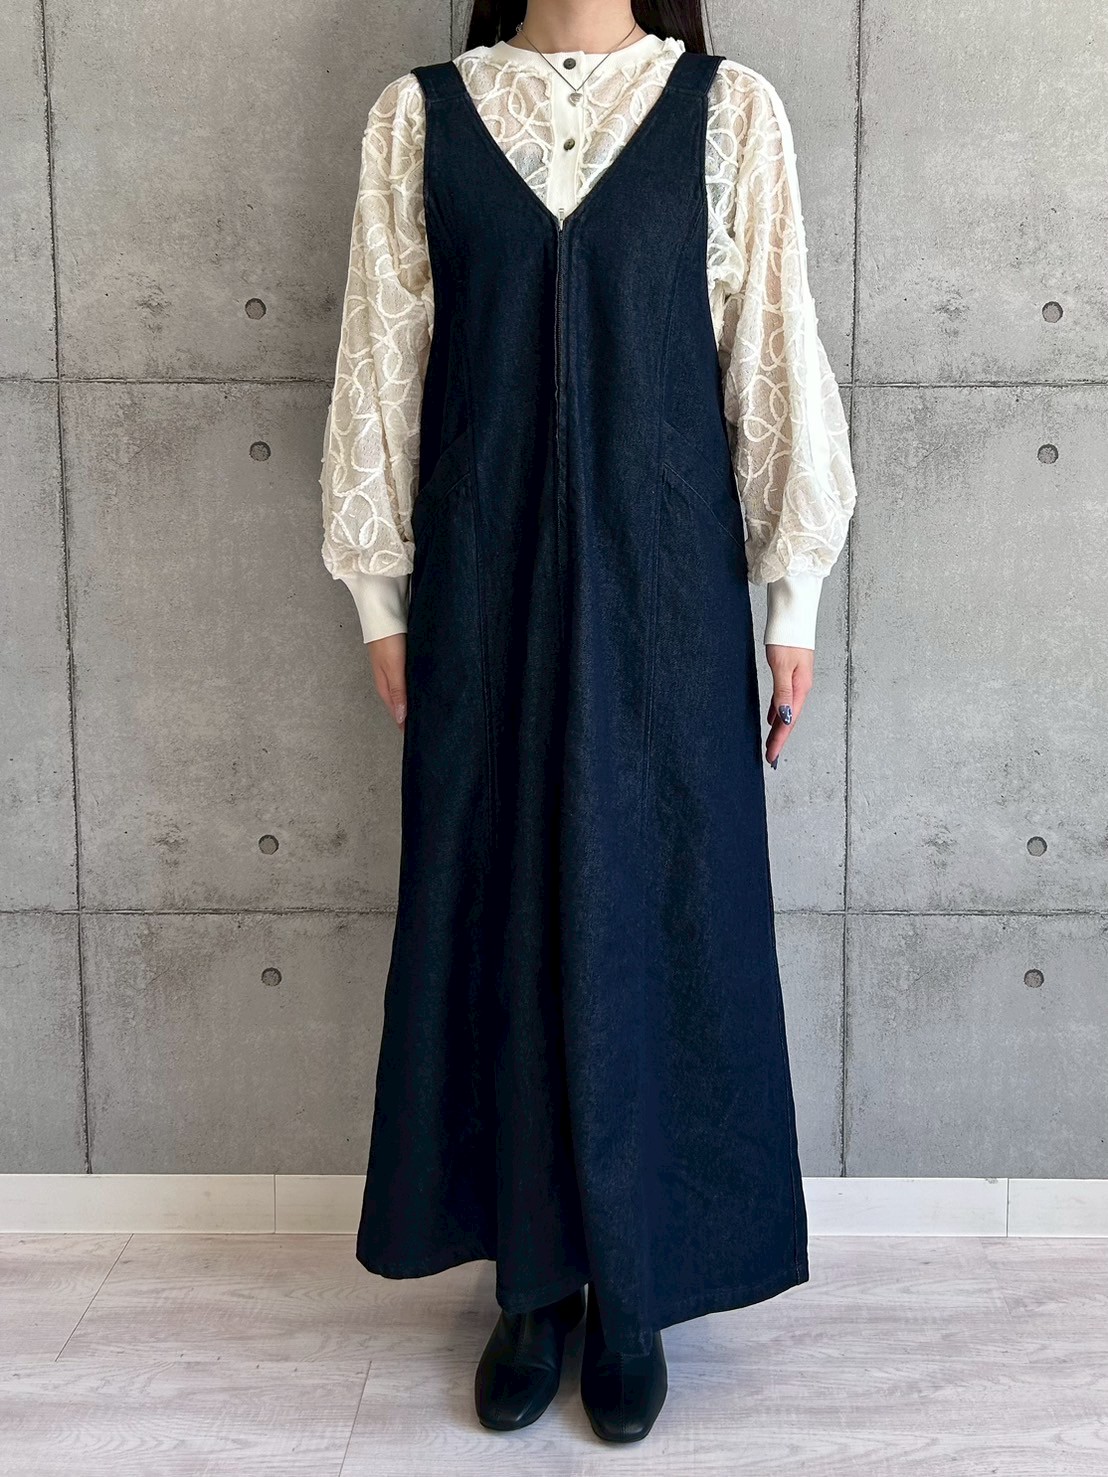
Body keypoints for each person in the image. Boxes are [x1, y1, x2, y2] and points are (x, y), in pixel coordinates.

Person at [319, 0, 857, 1445]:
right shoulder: (420, 121)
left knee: (656, 913)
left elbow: (770, 351)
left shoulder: (726, 114)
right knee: (501, 918)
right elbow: (382, 360)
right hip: (483, 589)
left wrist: (792, 602)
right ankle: (533, 1282)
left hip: (667, 593)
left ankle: (635, 1286)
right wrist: (379, 595)